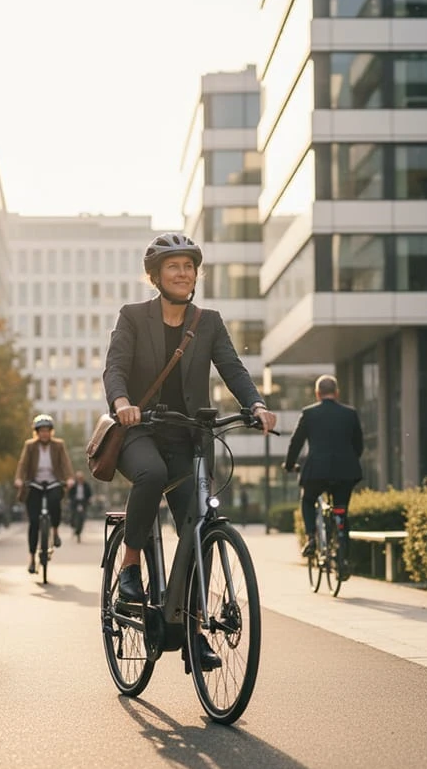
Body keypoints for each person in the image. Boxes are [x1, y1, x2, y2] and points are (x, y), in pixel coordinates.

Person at [103, 232, 277, 670]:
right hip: (140, 430)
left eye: (188, 266)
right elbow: (115, 367)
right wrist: (122, 404)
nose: (183, 274)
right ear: (156, 276)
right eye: (173, 267)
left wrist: (254, 404)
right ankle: (129, 566)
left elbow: (233, 368)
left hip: (191, 437)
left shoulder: (209, 321)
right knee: (152, 475)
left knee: (196, 529)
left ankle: (194, 633)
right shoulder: (133, 317)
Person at [283, 374, 363, 571]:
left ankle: (311, 539)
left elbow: (296, 442)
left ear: (317, 394)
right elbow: (358, 445)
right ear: (336, 393)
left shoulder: (309, 413)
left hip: (316, 471)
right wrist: (350, 461)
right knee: (341, 509)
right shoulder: (350, 414)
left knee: (308, 499)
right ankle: (342, 551)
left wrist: (289, 464)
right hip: (346, 471)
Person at [14, 414, 75, 573]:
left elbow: (65, 463)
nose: (44, 434)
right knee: (34, 522)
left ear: (51, 432)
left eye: (47, 431)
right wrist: (19, 479)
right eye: (41, 431)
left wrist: (69, 478)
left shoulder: (58, 445)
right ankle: (32, 558)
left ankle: (54, 531)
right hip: (34, 484)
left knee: (55, 500)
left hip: (54, 482)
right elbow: (23, 464)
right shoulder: (30, 446)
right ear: (37, 432)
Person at [68, 470, 92, 542]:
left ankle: (78, 532)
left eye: (81, 477)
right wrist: (71, 500)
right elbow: (70, 494)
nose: (80, 479)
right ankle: (74, 527)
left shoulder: (86, 485)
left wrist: (89, 499)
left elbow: (89, 494)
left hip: (83, 503)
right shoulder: (74, 485)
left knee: (82, 517)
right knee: (74, 516)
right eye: (78, 477)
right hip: (75, 503)